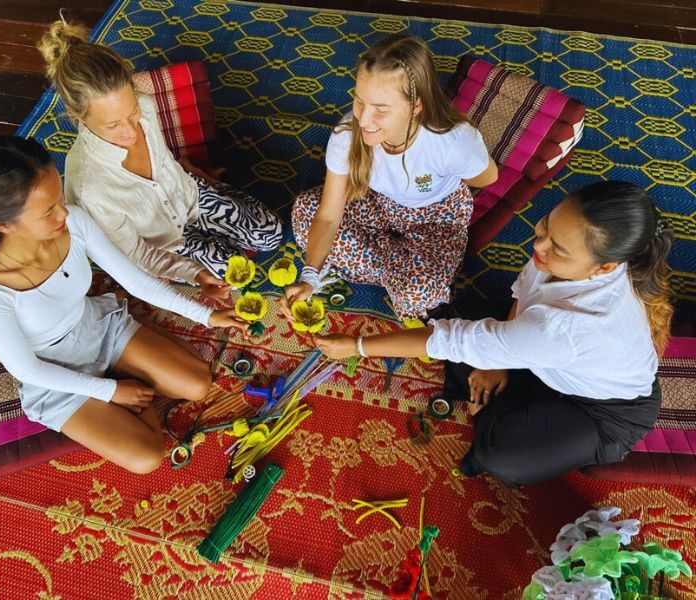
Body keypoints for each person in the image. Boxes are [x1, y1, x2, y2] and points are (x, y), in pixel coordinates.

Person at [314, 181, 671, 487]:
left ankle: (495, 407)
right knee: (459, 316)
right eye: (546, 226)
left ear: (604, 267)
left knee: (499, 455)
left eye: (557, 249)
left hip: (603, 413)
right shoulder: (573, 257)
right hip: (556, 355)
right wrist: (495, 361)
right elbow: (523, 294)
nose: (539, 247)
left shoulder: (567, 328)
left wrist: (357, 346)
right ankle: (502, 386)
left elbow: (446, 340)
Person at [0, 135, 248, 474]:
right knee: (146, 458)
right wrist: (111, 391)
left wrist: (207, 315)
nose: (63, 212)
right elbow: (29, 370)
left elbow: (136, 281)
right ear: (3, 225)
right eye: (48, 210)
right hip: (54, 375)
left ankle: (129, 350)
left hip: (97, 327)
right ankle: (127, 374)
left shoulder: (73, 221)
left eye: (59, 197)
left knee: (198, 384)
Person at [37, 18, 283, 299]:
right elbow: (138, 253)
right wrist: (194, 273)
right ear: (75, 112)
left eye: (131, 113)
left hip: (189, 196)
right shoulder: (90, 189)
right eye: (113, 125)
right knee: (234, 276)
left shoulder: (145, 103)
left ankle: (207, 187)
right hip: (165, 241)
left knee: (271, 234)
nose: (131, 132)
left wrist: (189, 173)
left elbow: (161, 155)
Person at [281, 33, 497, 321]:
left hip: (436, 216)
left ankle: (393, 269)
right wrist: (309, 277)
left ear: (416, 105)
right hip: (379, 203)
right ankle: (400, 269)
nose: (363, 119)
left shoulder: (452, 141)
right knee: (305, 212)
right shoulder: (347, 134)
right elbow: (328, 215)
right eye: (359, 101)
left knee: (419, 293)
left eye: (381, 109)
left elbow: (486, 178)